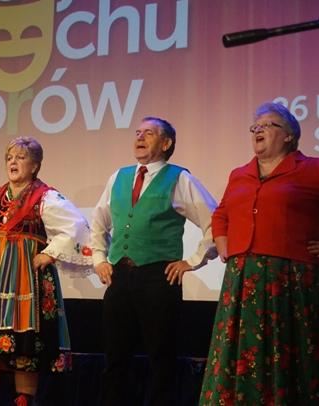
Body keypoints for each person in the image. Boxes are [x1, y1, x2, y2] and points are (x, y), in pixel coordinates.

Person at [0, 136, 91, 406]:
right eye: (10, 158)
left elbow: (77, 225)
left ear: (35, 166)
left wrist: (49, 253)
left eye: (21, 158)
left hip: (26, 280)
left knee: (26, 348)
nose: (13, 162)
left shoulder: (45, 196)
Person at [200, 102, 319, 405]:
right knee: (239, 349)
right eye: (254, 126)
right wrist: (224, 246)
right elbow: (221, 215)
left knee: (293, 350)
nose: (257, 130)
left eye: (267, 125)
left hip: (292, 279)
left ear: (289, 135)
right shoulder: (239, 174)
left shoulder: (316, 170)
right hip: (243, 277)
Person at [90, 116, 218, 405]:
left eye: (148, 133)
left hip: (158, 278)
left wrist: (193, 261)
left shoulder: (179, 178)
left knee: (161, 358)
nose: (140, 137)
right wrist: (99, 258)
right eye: (138, 132)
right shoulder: (119, 177)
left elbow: (215, 220)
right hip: (120, 276)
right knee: (115, 357)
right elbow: (98, 221)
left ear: (166, 143)